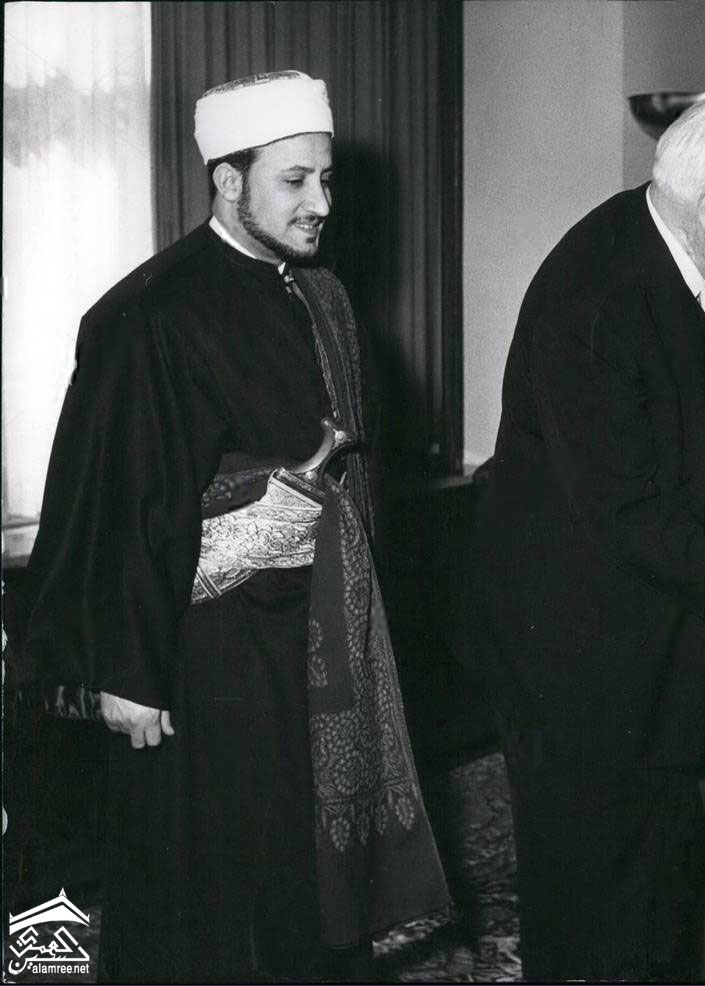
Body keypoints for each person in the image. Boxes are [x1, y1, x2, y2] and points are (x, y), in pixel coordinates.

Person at [7, 70, 446, 981]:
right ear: (229, 179)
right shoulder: (147, 315)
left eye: (327, 178)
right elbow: (113, 506)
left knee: (305, 900)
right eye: (295, 180)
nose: (322, 202)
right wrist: (126, 676)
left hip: (309, 647)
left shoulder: (317, 293)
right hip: (199, 662)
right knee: (203, 908)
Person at [469, 91, 705, 980]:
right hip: (574, 655)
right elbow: (626, 515)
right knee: (587, 902)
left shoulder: (691, 258)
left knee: (658, 878)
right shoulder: (594, 297)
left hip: (650, 636)